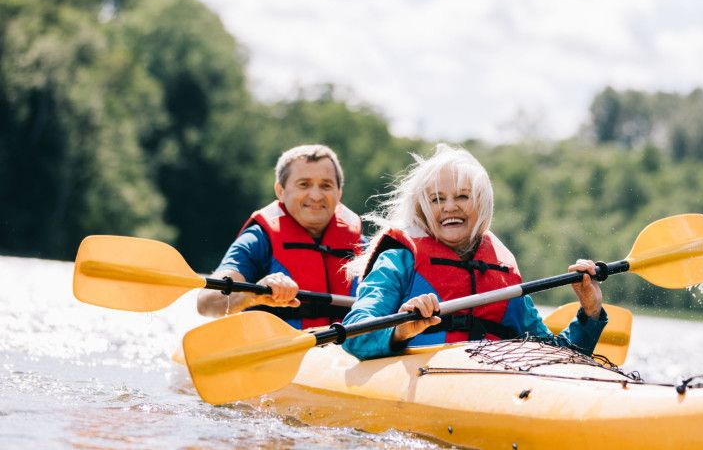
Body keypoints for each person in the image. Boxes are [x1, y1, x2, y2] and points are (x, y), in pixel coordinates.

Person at [342, 143, 607, 360]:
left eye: (462, 197)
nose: (449, 207)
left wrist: (590, 312)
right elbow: (354, 334)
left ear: (481, 204)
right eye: (436, 199)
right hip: (419, 382)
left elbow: (555, 357)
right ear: (422, 210)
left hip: (492, 386)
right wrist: (399, 332)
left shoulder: (503, 274)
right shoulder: (399, 260)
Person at [197, 144, 362, 328]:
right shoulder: (258, 240)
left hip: (346, 352)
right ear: (280, 191)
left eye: (326, 185)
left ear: (339, 192)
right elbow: (206, 302)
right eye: (304, 184)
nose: (316, 195)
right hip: (281, 349)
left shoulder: (363, 248)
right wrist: (253, 295)